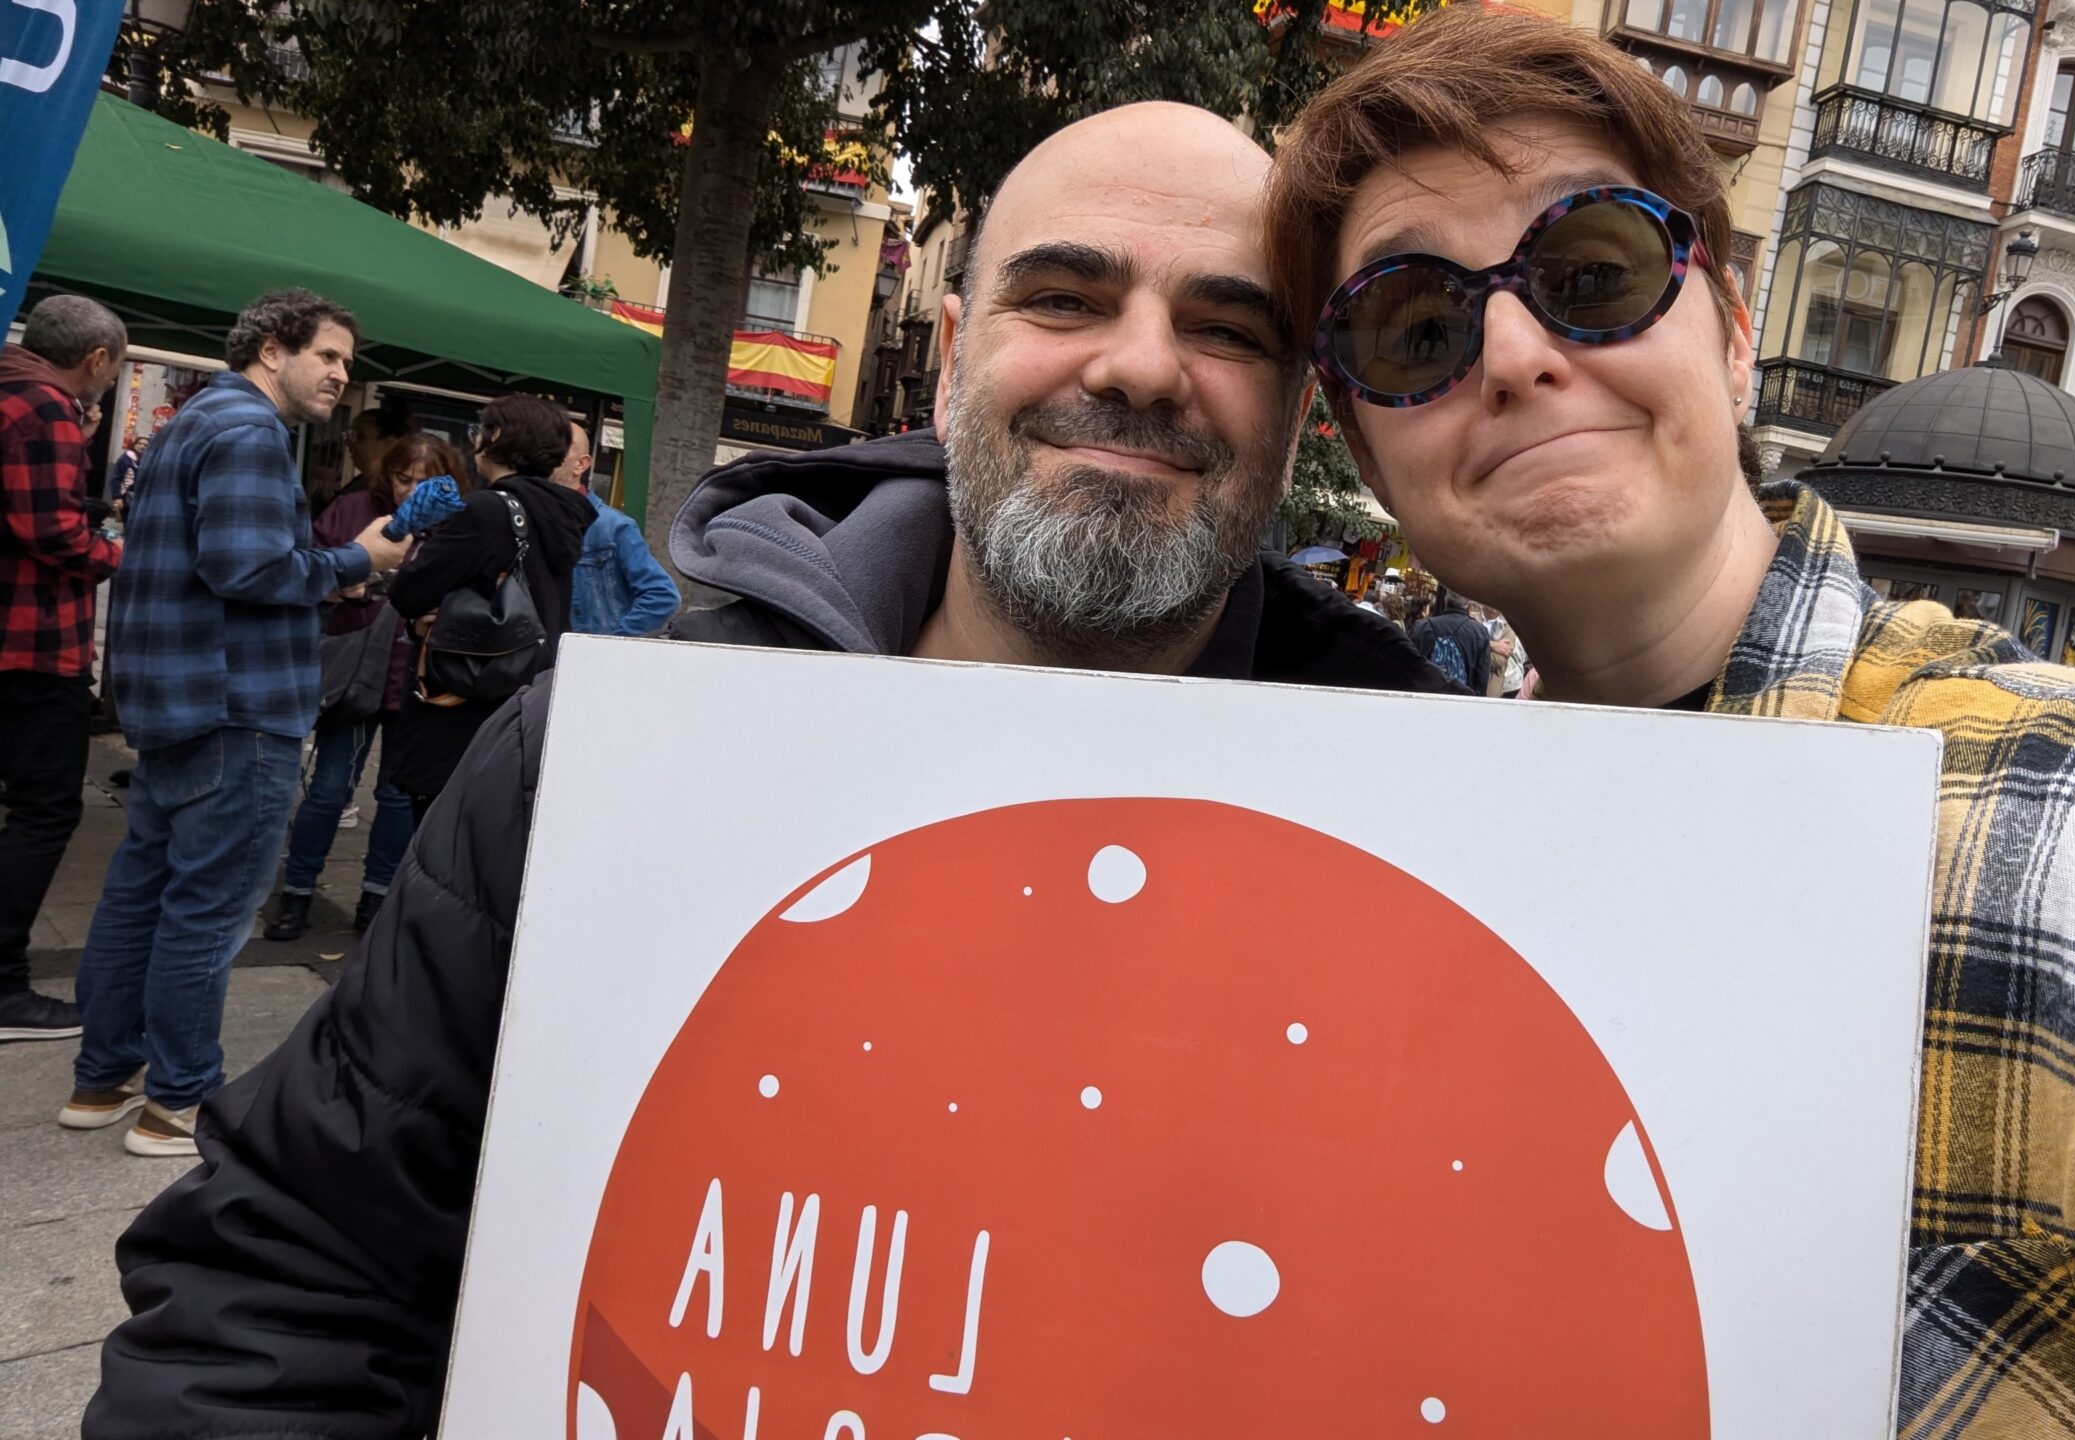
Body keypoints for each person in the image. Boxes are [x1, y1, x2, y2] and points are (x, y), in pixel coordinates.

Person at [1264, 8, 2075, 1430]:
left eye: (1593, 272)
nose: (1510, 351)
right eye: (1416, 326)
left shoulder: (2047, 811)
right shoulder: (1432, 852)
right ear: (1364, 442)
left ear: (1737, 330)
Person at [86, 101, 1459, 1438]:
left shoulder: (1438, 855)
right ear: (950, 360)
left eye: (1229, 328)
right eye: (1065, 299)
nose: (1144, 366)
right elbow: (288, 1271)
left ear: (1302, 410)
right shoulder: (605, 769)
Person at [64, 290, 406, 1157]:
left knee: (142, 896)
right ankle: (178, 1102)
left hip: (178, 702)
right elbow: (249, 567)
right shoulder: (250, 432)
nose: (340, 375)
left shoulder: (188, 423)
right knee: (207, 913)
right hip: (236, 707)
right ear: (270, 349)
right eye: (327, 355)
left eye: (344, 361)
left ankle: (103, 1079)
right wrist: (356, 559)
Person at [265, 433, 468, 942]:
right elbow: (304, 567)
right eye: (404, 479)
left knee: (397, 795)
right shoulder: (356, 507)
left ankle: (376, 897)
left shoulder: (458, 524)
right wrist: (343, 582)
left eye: (424, 482)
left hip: (418, 672)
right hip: (354, 667)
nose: (411, 491)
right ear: (388, 475)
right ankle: (296, 892)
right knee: (330, 789)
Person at [0, 295, 127, 1041]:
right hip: (32, 641)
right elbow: (55, 535)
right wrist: (117, 553)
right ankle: (5, 985)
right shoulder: (43, 407)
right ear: (97, 359)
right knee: (45, 809)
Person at [382, 395, 592, 820]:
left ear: (495, 438)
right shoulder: (561, 512)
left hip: (465, 705)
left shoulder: (486, 510)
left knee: (440, 842)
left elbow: (409, 592)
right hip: (522, 704)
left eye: (480, 431)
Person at [558, 421, 679, 637]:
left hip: (586, 661)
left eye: (557, 446)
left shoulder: (612, 526)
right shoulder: (528, 517)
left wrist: (613, 644)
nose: (544, 454)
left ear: (581, 464)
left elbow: (662, 595)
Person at [1410, 590, 1492, 693]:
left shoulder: (1423, 627)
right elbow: (1482, 680)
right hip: (1462, 702)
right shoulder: (1480, 632)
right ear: (1468, 604)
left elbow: (1409, 668)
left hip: (1424, 700)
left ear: (1446, 599)